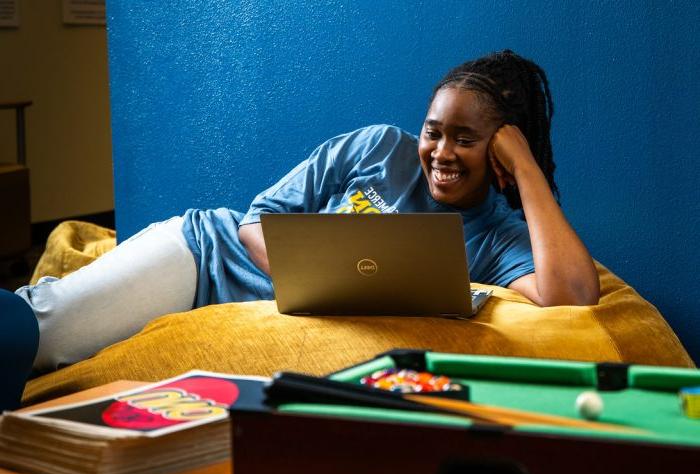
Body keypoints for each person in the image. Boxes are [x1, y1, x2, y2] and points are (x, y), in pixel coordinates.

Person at [14, 49, 599, 384]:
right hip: (202, 257)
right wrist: (323, 283)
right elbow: (253, 220)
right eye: (434, 131)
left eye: (467, 139)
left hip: (243, 316)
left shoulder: (495, 236)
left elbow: (572, 292)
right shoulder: (377, 147)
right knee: (47, 331)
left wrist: (523, 166)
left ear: (499, 147)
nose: (441, 153)